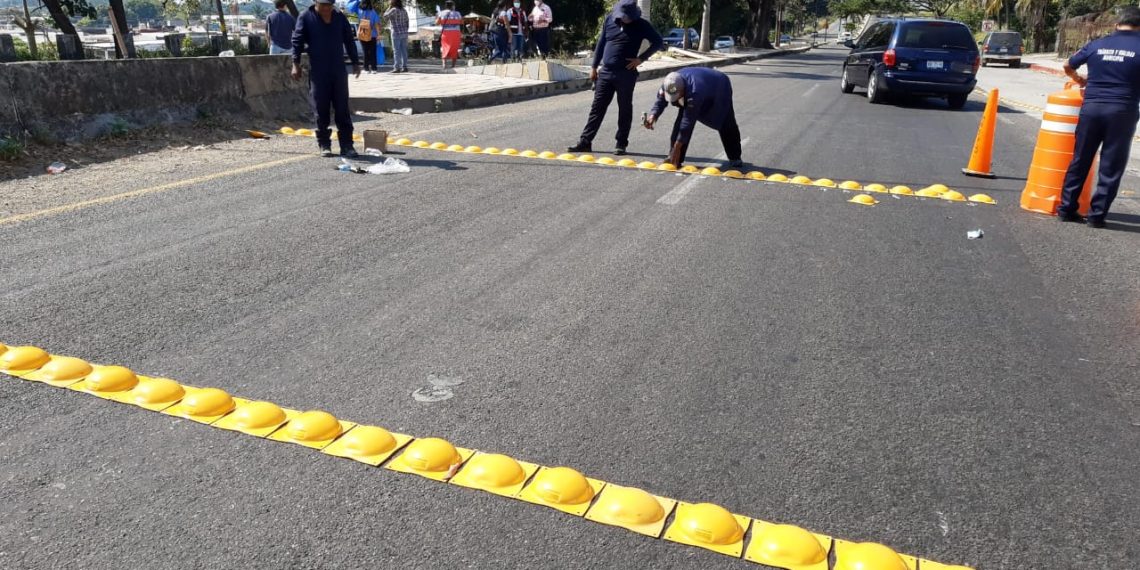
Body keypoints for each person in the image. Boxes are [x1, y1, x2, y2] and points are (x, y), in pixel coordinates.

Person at [1058, 6, 1140, 228]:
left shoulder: (1097, 44)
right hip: (1122, 111)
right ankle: (1096, 216)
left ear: (1117, 24)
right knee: (1111, 166)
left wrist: (1080, 80)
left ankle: (1066, 209)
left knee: (1080, 159)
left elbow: (1067, 65)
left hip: (1092, 108)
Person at [567, 0, 663, 156]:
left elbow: (658, 42)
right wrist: (594, 67)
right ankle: (585, 142)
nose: (625, 19)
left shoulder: (642, 25)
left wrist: (641, 59)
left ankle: (621, 143)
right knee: (597, 108)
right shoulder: (609, 19)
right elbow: (601, 43)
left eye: (628, 17)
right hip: (605, 72)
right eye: (623, 16)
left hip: (626, 73)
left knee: (624, 108)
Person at [292, 0, 362, 158]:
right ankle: (324, 144)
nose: (326, 8)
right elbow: (297, 41)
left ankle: (347, 145)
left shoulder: (339, 17)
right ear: (315, 3)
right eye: (322, 5)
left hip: (338, 70)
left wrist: (355, 62)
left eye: (329, 5)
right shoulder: (306, 17)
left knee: (342, 109)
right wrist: (295, 64)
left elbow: (349, 40)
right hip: (318, 71)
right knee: (320, 108)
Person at [643, 69, 743, 169]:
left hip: (719, 87)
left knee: (725, 121)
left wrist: (677, 147)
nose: (675, 100)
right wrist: (653, 116)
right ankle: (674, 157)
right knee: (680, 123)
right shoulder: (668, 84)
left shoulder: (695, 91)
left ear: (683, 90)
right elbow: (660, 101)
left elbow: (688, 122)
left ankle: (735, 157)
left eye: (677, 96)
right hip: (697, 88)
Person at [348, 0, 382, 73]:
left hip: (362, 33)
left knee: (365, 52)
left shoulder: (359, 10)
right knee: (373, 52)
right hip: (372, 34)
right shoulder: (373, 11)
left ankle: (366, 69)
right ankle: (374, 69)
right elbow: (376, 23)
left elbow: (351, 9)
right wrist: (379, 34)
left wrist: (356, 1)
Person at [383, 0, 409, 73]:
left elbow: (385, 16)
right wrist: (405, 30)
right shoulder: (404, 10)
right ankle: (405, 67)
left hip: (396, 33)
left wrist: (389, 7)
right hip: (404, 32)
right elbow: (407, 21)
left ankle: (397, 68)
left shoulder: (393, 10)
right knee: (404, 50)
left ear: (393, 3)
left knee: (396, 51)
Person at [436, 1, 463, 70]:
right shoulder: (457, 13)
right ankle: (453, 65)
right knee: (454, 48)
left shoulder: (441, 13)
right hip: (456, 33)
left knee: (445, 47)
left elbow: (437, 23)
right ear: (453, 6)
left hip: (446, 33)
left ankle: (444, 64)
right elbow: (462, 22)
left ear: (446, 6)